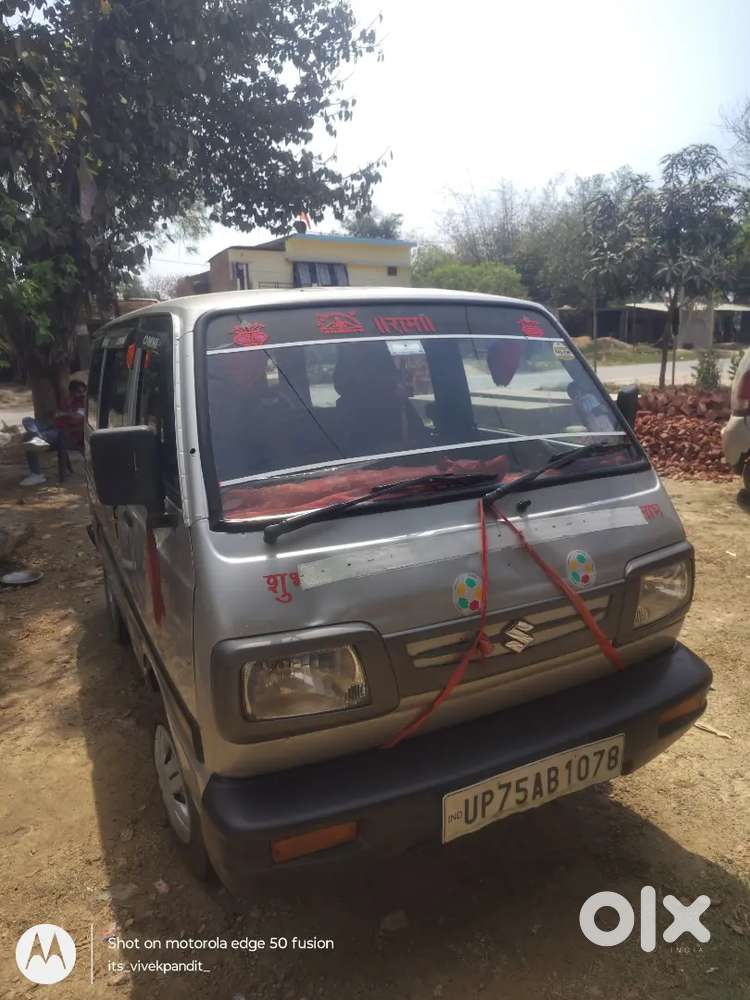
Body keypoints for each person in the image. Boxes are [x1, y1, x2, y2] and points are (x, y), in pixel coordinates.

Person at [19, 376, 87, 487]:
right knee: (27, 420)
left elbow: (76, 419)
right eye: (77, 392)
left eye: (82, 391)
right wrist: (65, 409)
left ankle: (36, 474)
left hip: (65, 436)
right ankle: (38, 436)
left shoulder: (85, 405)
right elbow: (55, 417)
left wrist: (63, 414)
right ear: (71, 392)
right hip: (53, 431)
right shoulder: (69, 403)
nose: (80, 394)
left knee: (30, 441)